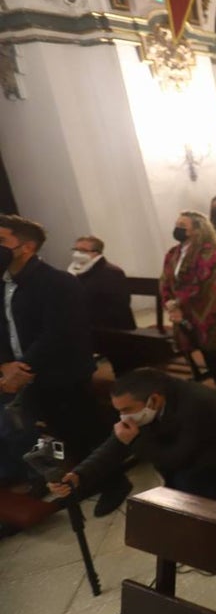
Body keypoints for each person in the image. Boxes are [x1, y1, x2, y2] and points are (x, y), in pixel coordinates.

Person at [0, 215, 129, 510]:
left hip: (63, 372)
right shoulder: (4, 281)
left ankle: (115, 481)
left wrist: (22, 368)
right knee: (59, 434)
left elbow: (58, 332)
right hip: (27, 374)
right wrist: (6, 363)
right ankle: (83, 480)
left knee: (86, 429)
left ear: (26, 246)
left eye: (1, 241)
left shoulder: (57, 281)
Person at [49, 369, 216, 507]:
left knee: (187, 482)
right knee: (174, 479)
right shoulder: (154, 399)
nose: (123, 417)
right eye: (119, 411)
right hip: (203, 442)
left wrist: (135, 442)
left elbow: (178, 458)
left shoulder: (194, 406)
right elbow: (116, 443)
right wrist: (79, 474)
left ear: (154, 400)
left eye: (126, 410)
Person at [161, 211, 216, 405]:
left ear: (197, 230)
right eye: (177, 224)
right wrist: (169, 303)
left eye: (183, 226)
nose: (178, 229)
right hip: (185, 312)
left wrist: (177, 302)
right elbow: (165, 280)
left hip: (208, 310)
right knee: (203, 352)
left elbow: (202, 282)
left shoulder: (207, 252)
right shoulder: (173, 253)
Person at [68, 235, 136, 331]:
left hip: (109, 326)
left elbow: (116, 306)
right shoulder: (76, 269)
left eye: (83, 250)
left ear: (96, 253)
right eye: (76, 249)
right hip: (87, 319)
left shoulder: (111, 272)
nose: (77, 254)